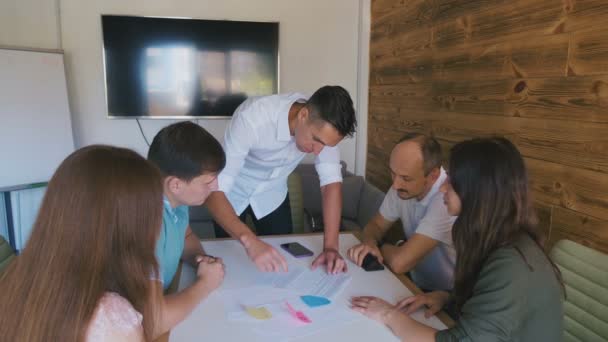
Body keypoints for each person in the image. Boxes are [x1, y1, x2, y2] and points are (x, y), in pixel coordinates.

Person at [351, 137, 564, 341]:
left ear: (478, 193)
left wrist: (388, 315)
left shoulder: (511, 264)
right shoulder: (493, 239)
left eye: (452, 182)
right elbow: (485, 298)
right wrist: (447, 298)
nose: (443, 187)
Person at [0, 145, 222, 341]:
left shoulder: (16, 275)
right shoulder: (111, 318)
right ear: (128, 225)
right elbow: (153, 323)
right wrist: (205, 285)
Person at [206, 85, 357, 274]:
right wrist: (250, 240)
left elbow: (331, 185)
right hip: (232, 193)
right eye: (315, 140)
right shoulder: (252, 118)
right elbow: (214, 190)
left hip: (273, 195)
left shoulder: (326, 131)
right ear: (303, 115)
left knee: (283, 260)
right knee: (231, 261)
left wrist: (331, 248)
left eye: (325, 146)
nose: (318, 151)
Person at [146, 121, 226, 337]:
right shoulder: (147, 222)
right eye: (208, 182)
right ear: (175, 184)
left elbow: (186, 235)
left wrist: (200, 259)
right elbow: (153, 321)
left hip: (165, 297)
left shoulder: (174, 203)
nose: (216, 187)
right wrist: (205, 284)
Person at [347, 133, 456, 291]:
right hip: (414, 284)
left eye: (406, 178)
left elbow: (400, 263)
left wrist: (383, 247)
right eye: (393, 173)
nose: (396, 184)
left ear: (433, 175)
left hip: (448, 298)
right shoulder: (400, 186)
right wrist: (370, 243)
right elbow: (376, 225)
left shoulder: (446, 199)